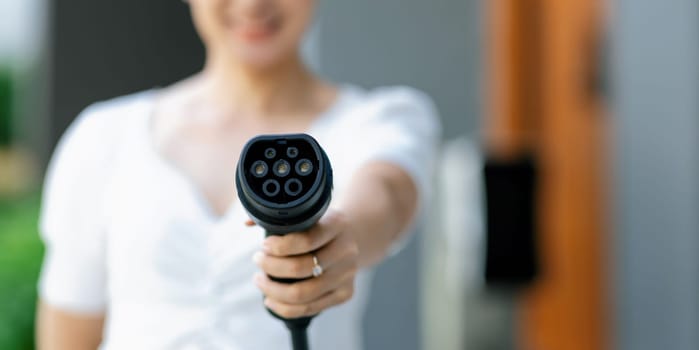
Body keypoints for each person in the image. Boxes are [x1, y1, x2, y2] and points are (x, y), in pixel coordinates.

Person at [36, 0, 441, 349]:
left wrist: (340, 238)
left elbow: (386, 199)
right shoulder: (105, 137)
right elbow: (69, 333)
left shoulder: (382, 120)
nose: (252, 3)